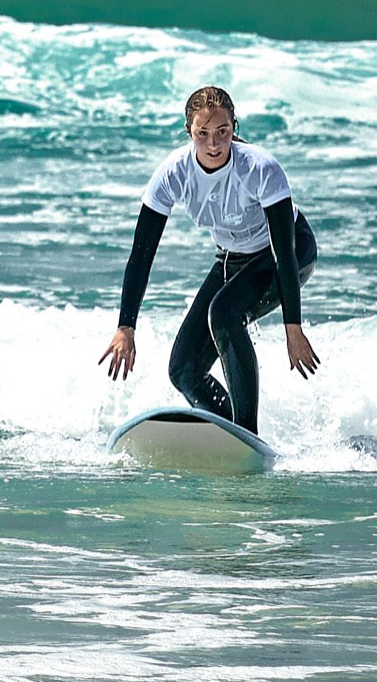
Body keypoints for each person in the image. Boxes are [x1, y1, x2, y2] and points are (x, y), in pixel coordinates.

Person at [99, 85, 319, 435]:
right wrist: (126, 326)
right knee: (183, 369)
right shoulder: (174, 173)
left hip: (289, 252)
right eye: (203, 134)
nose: (214, 144)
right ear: (189, 132)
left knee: (225, 313)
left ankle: (246, 433)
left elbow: (283, 251)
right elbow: (142, 253)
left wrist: (294, 327)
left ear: (234, 127)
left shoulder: (260, 168)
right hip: (233, 258)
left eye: (223, 132)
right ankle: (229, 429)